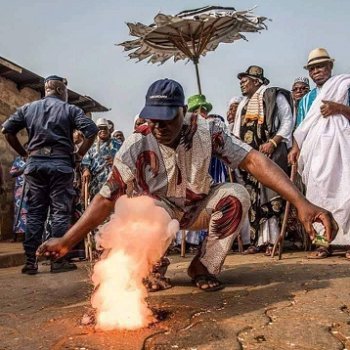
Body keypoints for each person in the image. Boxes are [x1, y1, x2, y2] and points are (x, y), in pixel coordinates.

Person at [37, 78, 337, 292]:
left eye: (168, 119)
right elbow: (105, 198)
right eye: (154, 119)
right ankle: (148, 268)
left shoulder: (209, 130)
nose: (160, 127)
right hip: (156, 214)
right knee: (145, 211)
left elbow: (254, 161)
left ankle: (204, 266)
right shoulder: (136, 142)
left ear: (184, 111)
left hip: (198, 207)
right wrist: (67, 240)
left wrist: (301, 202)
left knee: (236, 195)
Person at [1, 75, 98, 274]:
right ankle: (58, 261)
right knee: (60, 213)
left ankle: (30, 262)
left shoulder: (28, 108)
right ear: (62, 91)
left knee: (35, 213)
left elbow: (7, 130)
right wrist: (79, 154)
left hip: (35, 165)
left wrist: (24, 153)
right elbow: (91, 129)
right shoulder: (70, 109)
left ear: (46, 90)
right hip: (61, 165)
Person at [288, 48, 350, 259]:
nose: (316, 71)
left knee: (345, 194)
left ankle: (349, 244)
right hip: (315, 155)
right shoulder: (306, 100)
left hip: (342, 150)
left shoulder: (345, 87)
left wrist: (338, 108)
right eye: (312, 68)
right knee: (317, 196)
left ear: (330, 67)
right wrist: (295, 149)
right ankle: (323, 244)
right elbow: (300, 128)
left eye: (321, 66)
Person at [232, 65, 294, 254]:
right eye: (241, 81)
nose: (242, 84)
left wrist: (273, 143)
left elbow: (287, 121)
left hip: (271, 153)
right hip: (249, 158)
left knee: (270, 195)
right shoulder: (243, 104)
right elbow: (236, 131)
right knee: (253, 198)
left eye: (245, 80)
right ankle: (257, 242)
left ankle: (272, 241)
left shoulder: (274, 95)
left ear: (257, 81)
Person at [82, 118, 121, 201]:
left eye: (105, 128)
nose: (103, 130)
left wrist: (116, 161)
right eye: (100, 128)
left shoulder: (118, 144)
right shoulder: (91, 144)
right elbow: (85, 162)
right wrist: (86, 170)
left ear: (109, 130)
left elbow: (126, 159)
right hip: (96, 183)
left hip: (114, 182)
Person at [9, 151, 28, 241]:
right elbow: (12, 174)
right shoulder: (18, 160)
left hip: (31, 190)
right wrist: (22, 170)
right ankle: (15, 235)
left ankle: (26, 236)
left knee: (29, 212)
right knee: (18, 212)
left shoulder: (34, 159)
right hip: (19, 191)